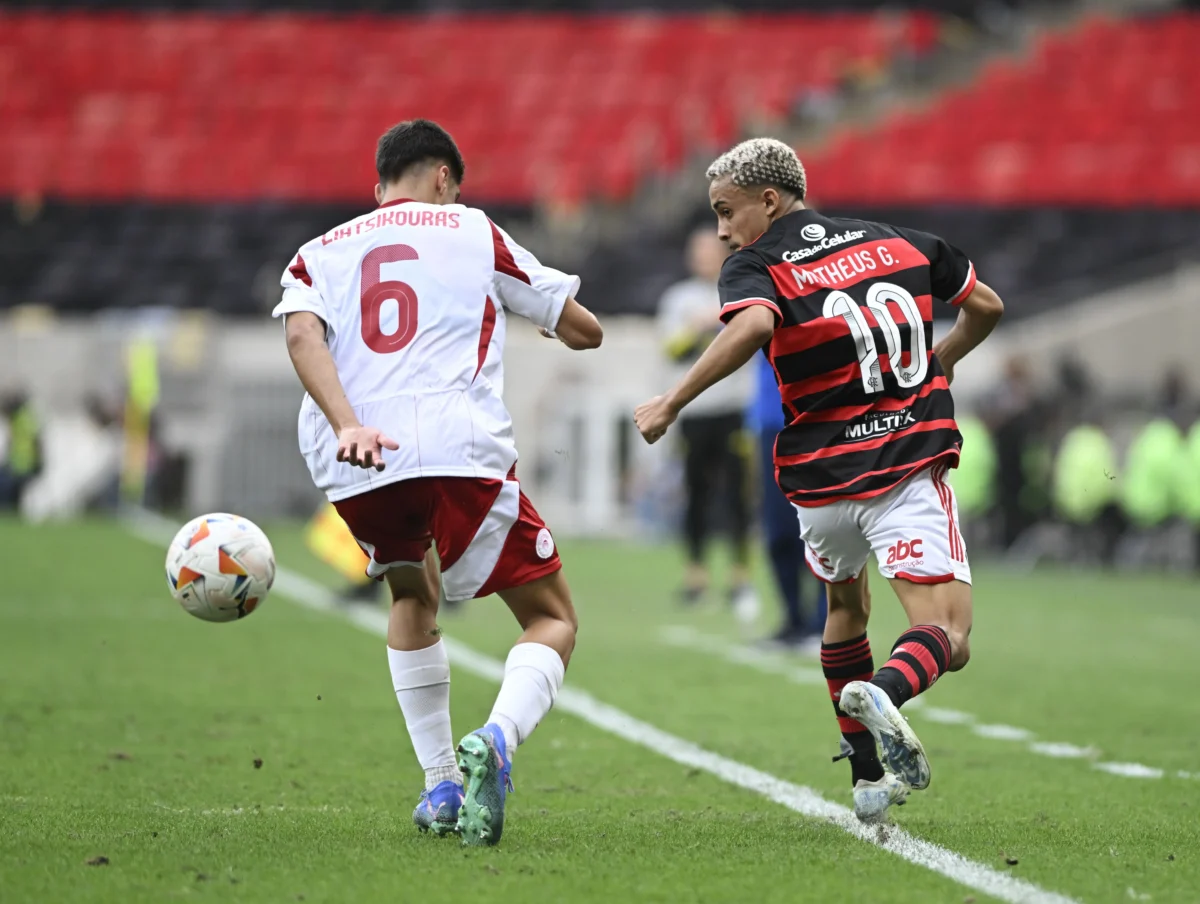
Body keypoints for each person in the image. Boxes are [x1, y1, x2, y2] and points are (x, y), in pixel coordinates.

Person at [635, 138, 1003, 823]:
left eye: (725, 211)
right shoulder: (900, 240)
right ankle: (888, 689)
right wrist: (938, 363)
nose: (721, 230)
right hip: (901, 462)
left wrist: (672, 400)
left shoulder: (756, 264)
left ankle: (865, 775)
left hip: (819, 481)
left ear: (768, 201)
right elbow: (985, 305)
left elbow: (752, 324)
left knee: (844, 611)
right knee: (949, 636)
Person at [274, 119, 602, 846]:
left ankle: (441, 786)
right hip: (460, 449)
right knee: (553, 619)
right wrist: (554, 322)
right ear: (446, 178)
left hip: (360, 459)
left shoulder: (318, 251)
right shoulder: (472, 229)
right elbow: (585, 329)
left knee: (411, 593)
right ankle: (499, 740)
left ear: (378, 187)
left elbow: (302, 337)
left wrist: (348, 424)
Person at [656, 227, 755, 612]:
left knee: (738, 496)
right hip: (694, 411)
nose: (703, 257)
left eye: (708, 250)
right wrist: (699, 327)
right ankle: (696, 574)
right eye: (696, 251)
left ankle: (739, 576)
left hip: (734, 409)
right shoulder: (678, 298)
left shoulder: (740, 289)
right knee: (696, 493)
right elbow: (671, 349)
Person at [747, 351, 826, 651]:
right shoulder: (760, 303)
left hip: (819, 417)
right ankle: (794, 619)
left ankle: (825, 623)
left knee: (825, 524)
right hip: (771, 420)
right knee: (779, 529)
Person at [0, 391, 43, 510]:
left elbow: (35, 440)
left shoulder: (22, 419)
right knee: (16, 495)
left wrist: (39, 461)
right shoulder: (23, 418)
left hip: (23, 463)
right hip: (18, 462)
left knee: (13, 495)